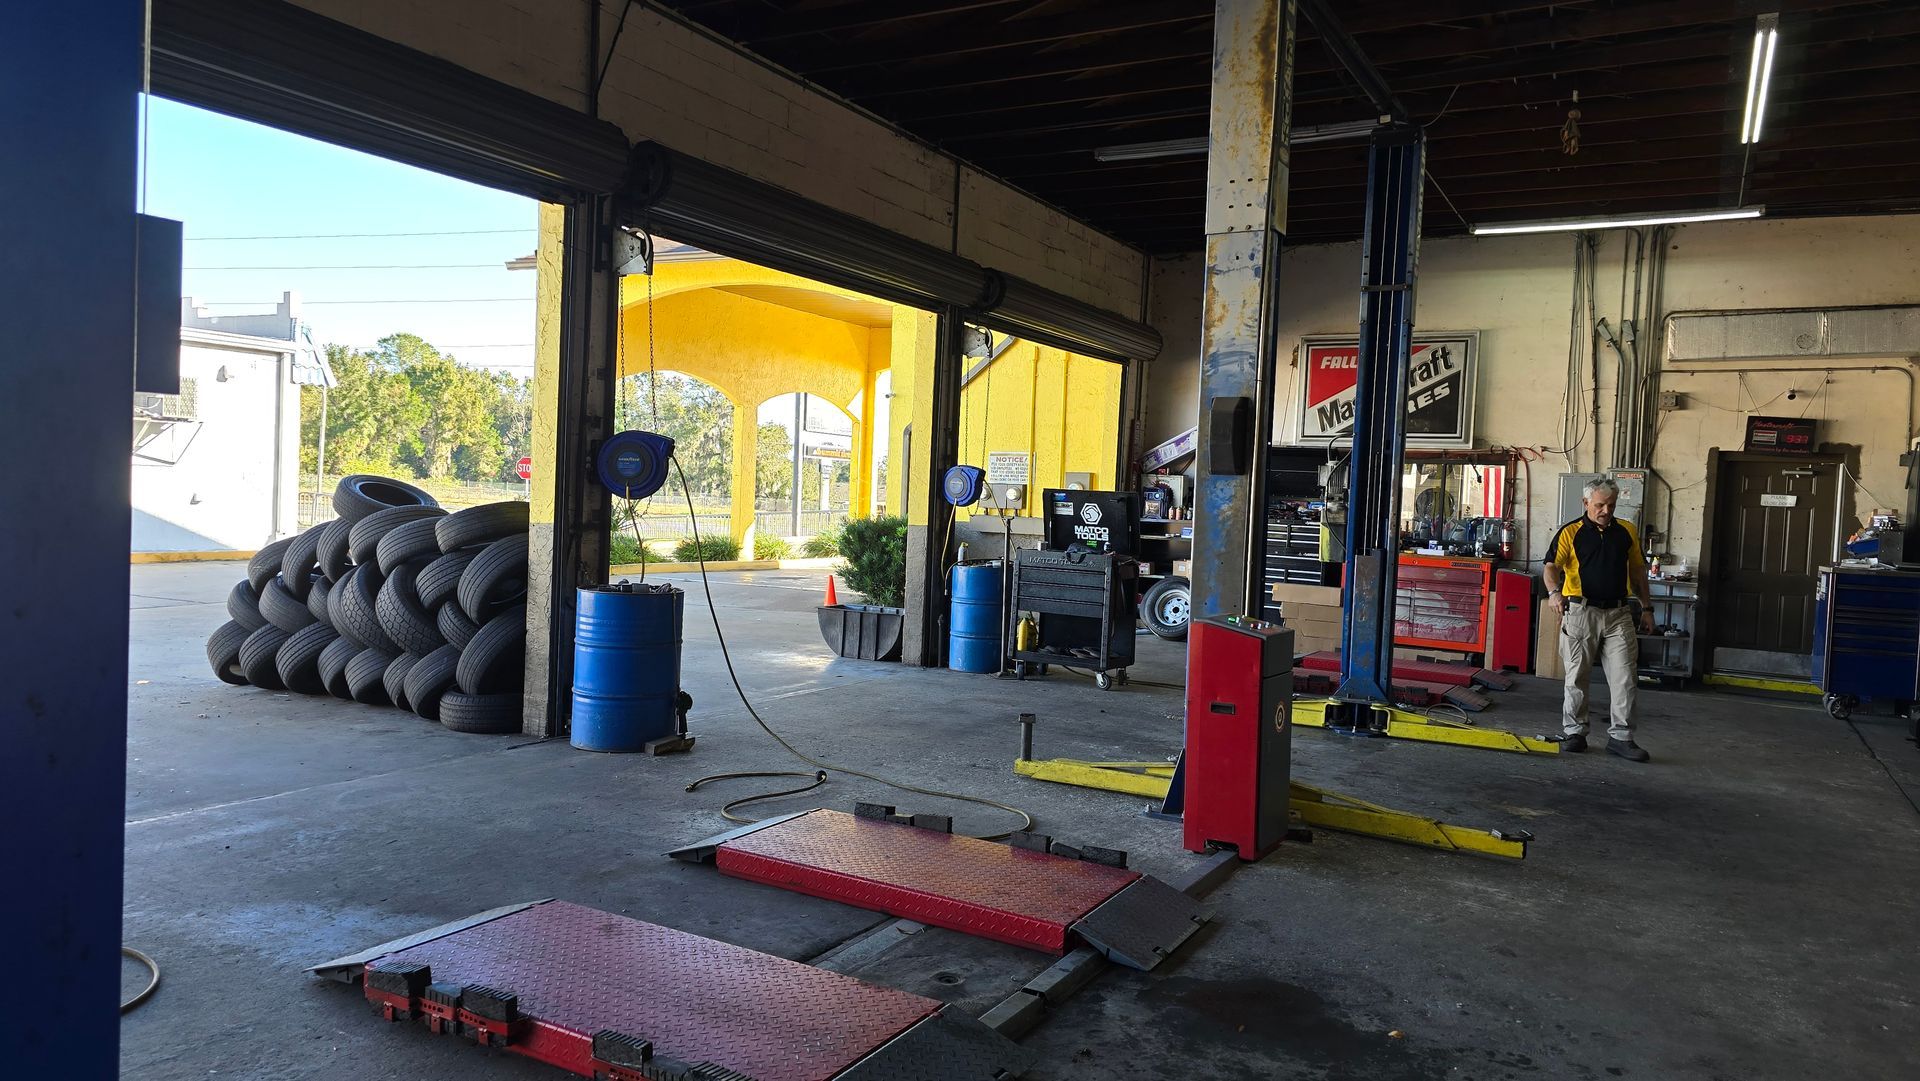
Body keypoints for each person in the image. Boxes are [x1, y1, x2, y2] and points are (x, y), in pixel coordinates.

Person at [1542, 478, 1654, 761]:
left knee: (1625, 677)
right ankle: (1575, 732)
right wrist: (1555, 593)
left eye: (1611, 505)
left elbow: (1638, 571)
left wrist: (1647, 608)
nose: (1606, 510)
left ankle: (1621, 738)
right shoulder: (1570, 532)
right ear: (1586, 503)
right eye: (1600, 505)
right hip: (1581, 613)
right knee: (1577, 676)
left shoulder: (1626, 531)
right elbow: (1551, 566)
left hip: (1619, 614)